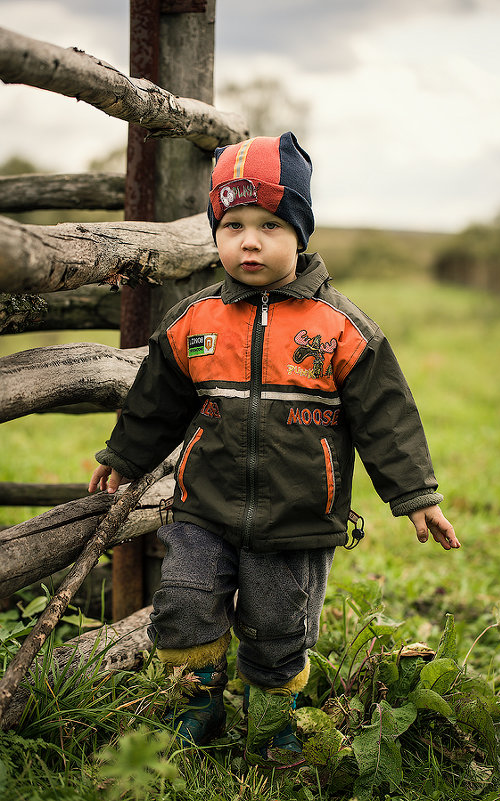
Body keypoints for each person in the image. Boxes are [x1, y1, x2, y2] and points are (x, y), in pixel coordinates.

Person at [89, 132, 460, 757]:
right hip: (202, 509)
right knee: (185, 607)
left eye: (269, 224)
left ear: (301, 231)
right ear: (216, 231)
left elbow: (386, 417)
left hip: (297, 519)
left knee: (278, 627)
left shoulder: (339, 326)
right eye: (232, 224)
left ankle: (271, 726)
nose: (250, 241)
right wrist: (124, 459)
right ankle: (196, 711)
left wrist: (415, 494)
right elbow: (156, 403)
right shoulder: (193, 320)